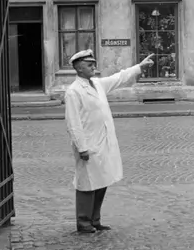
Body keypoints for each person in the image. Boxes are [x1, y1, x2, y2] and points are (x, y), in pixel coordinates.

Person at [64, 49, 155, 233]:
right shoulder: (73, 92)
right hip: (88, 145)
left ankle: (95, 220)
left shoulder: (97, 84)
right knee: (87, 184)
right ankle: (83, 222)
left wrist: (139, 67)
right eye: (89, 65)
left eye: (93, 64)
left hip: (103, 142)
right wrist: (82, 148)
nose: (93, 68)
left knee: (101, 181)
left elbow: (118, 78)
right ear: (79, 68)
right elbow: (73, 123)